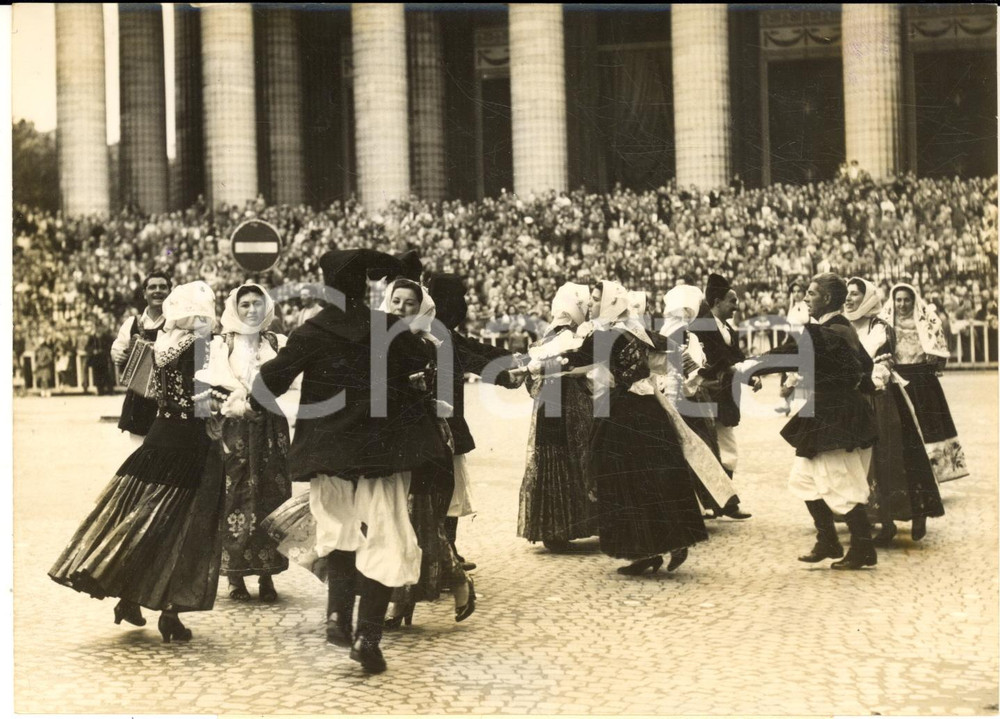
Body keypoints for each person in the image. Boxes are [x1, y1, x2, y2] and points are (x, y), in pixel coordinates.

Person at [253, 249, 452, 674]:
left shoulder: (311, 332)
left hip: (328, 452)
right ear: (366, 286)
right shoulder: (389, 329)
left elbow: (268, 381)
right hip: (383, 453)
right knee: (387, 535)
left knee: (338, 530)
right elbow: (424, 362)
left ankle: (337, 616)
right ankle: (367, 637)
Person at [49, 281, 226, 641]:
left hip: (158, 439)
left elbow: (157, 392)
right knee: (181, 529)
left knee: (144, 521)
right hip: (189, 446)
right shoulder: (202, 347)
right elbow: (205, 402)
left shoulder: (163, 345)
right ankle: (170, 613)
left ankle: (128, 594)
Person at [533, 280, 709, 575]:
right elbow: (672, 354)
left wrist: (535, 363)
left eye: (596, 300)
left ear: (609, 303)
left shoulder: (607, 334)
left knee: (625, 479)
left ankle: (646, 548)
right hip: (646, 412)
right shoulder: (633, 329)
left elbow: (576, 359)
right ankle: (659, 546)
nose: (591, 305)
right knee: (651, 477)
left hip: (623, 414)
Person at [737, 273, 879, 570]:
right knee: (804, 480)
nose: (805, 298)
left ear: (826, 299)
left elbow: (789, 354)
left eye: (811, 293)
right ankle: (829, 540)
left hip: (834, 414)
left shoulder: (830, 331)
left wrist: (749, 367)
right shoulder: (838, 329)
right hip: (832, 410)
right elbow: (864, 367)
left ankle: (863, 547)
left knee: (839, 480)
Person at [378, 278, 477, 630]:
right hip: (385, 446)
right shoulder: (375, 343)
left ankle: (454, 582)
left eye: (409, 303)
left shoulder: (434, 346)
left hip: (423, 444)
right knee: (387, 524)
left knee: (419, 524)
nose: (401, 309)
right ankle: (396, 602)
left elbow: (445, 403)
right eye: (396, 301)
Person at [199, 283, 292, 602]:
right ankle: (235, 578)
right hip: (234, 429)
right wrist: (234, 404)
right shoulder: (220, 345)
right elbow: (209, 387)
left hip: (269, 430)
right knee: (234, 496)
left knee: (271, 496)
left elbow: (291, 384)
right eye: (245, 305)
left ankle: (267, 575)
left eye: (257, 304)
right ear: (234, 309)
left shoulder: (276, 343)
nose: (251, 310)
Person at [425, 273, 526, 569]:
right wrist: (506, 376)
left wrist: (515, 359)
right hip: (442, 422)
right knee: (446, 491)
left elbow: (477, 350)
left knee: (450, 490)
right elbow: (470, 359)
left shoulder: (440, 328)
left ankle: (448, 553)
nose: (465, 304)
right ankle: (445, 558)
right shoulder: (435, 331)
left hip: (448, 420)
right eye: (461, 297)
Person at [844, 278, 943, 545]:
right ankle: (882, 521)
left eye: (855, 293)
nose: (849, 298)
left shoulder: (880, 327)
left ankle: (913, 511)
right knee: (866, 461)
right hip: (859, 397)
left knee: (891, 457)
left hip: (882, 398)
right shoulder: (847, 325)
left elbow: (872, 361)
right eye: (848, 293)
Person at [517, 282, 599, 552]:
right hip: (566, 407)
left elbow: (533, 380)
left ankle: (553, 526)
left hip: (550, 407)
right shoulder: (567, 337)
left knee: (553, 460)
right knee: (569, 457)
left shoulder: (549, 334)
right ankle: (565, 525)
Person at [879, 283, 969, 484]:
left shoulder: (927, 323)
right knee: (902, 428)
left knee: (928, 425)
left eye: (906, 300)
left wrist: (934, 358)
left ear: (914, 301)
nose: (902, 304)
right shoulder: (885, 324)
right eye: (898, 300)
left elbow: (940, 349)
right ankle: (907, 479)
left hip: (922, 381)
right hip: (899, 381)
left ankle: (932, 477)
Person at [689, 273, 753, 519]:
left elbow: (737, 359)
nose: (736, 306)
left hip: (724, 396)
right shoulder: (700, 326)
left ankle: (722, 502)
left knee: (725, 446)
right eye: (732, 301)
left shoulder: (728, 329)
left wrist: (751, 375)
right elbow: (713, 363)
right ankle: (723, 503)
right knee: (715, 447)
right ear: (717, 301)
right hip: (706, 395)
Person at [110, 273, 171, 440]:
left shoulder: (176, 322)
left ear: (170, 292)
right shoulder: (132, 322)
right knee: (138, 452)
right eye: (152, 287)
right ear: (144, 293)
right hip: (139, 400)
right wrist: (119, 356)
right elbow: (116, 349)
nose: (157, 291)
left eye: (163, 287)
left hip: (168, 399)